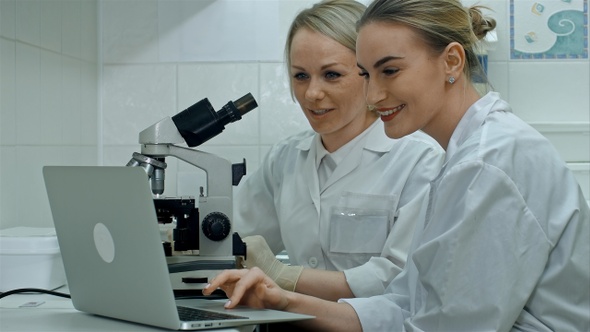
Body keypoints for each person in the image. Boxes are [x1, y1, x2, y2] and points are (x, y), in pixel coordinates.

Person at [205, 0, 590, 330]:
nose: (373, 94)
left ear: (452, 61)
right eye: (367, 74)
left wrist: (286, 281)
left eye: (390, 71)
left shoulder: (488, 163)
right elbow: (407, 305)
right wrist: (283, 300)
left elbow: (446, 325)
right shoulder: (464, 158)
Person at [232, 0, 444, 302]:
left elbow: (400, 276)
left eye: (331, 75)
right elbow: (235, 234)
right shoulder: (285, 158)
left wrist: (286, 277)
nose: (312, 93)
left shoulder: (418, 160)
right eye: (301, 76)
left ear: (368, 74)